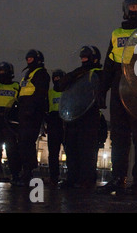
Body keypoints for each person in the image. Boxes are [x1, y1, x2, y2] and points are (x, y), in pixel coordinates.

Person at [99, 0, 137, 195]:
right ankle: (117, 178)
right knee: (119, 137)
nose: (135, 10)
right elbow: (108, 64)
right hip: (118, 88)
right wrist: (101, 91)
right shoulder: (116, 33)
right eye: (132, 7)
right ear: (125, 9)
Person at [55, 46, 103, 189]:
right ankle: (72, 178)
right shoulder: (78, 73)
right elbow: (59, 86)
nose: (83, 60)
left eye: (86, 57)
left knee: (86, 150)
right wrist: (76, 73)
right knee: (71, 148)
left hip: (89, 116)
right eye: (82, 57)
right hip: (74, 116)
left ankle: (86, 180)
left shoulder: (98, 72)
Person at [15, 50, 50, 186]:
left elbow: (40, 94)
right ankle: (25, 171)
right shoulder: (27, 75)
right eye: (27, 58)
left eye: (31, 58)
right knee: (23, 142)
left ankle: (28, 173)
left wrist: (32, 109)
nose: (28, 60)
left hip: (32, 114)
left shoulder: (41, 74)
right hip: (24, 113)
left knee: (27, 142)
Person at [45, 69, 66, 186]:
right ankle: (54, 177)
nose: (57, 80)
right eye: (55, 78)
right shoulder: (50, 93)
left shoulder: (68, 91)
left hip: (64, 122)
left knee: (68, 151)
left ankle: (70, 177)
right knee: (53, 153)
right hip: (54, 122)